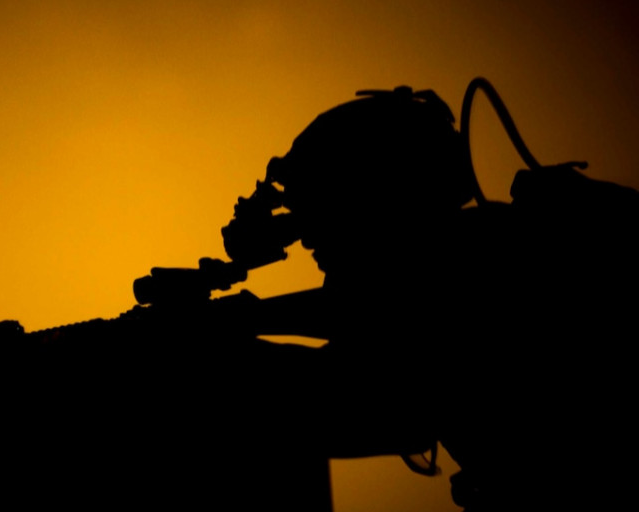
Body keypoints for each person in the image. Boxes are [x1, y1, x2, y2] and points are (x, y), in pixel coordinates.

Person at [225, 83, 638, 510]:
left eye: (321, 207)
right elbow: (368, 348)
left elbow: (371, 369)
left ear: (377, 196)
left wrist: (230, 333)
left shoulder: (487, 253)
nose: (307, 236)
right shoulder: (466, 255)